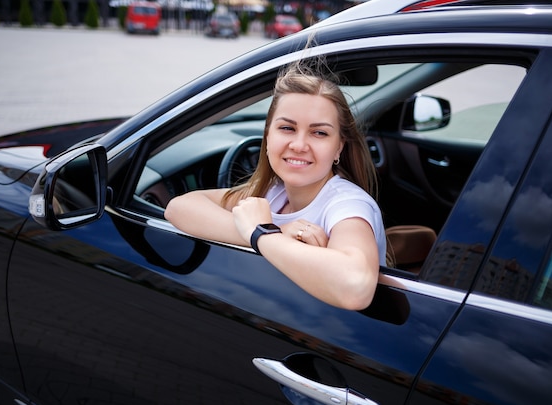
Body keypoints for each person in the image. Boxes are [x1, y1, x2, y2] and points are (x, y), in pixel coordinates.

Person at [165, 58, 388, 311]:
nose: (299, 145)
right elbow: (178, 207)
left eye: (319, 133)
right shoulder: (275, 192)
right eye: (287, 128)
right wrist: (264, 231)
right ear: (268, 136)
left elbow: (355, 287)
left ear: (339, 147)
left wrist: (264, 234)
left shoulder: (348, 205)